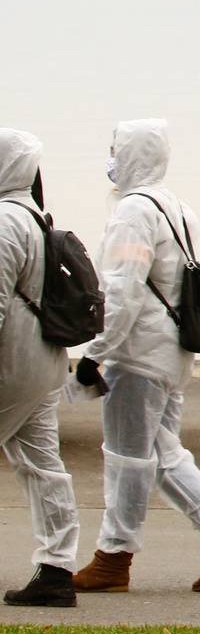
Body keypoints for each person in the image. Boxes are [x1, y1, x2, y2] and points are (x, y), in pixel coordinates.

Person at [72, 120, 200, 595]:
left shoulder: (133, 212)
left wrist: (96, 352)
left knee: (127, 456)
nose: (110, 158)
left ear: (130, 155)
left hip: (139, 351)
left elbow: (123, 288)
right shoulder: (175, 205)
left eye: (114, 149)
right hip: (172, 348)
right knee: (162, 449)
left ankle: (114, 558)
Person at [0, 131, 80, 608]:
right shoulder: (34, 215)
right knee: (43, 467)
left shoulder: (4, 221)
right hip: (47, 362)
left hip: (12, 364)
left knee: (41, 466)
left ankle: (55, 571)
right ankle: (56, 570)